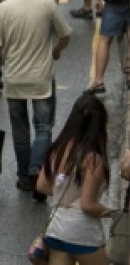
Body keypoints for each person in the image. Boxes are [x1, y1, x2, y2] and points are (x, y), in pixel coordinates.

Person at [0, 0, 71, 195]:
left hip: (13, 80)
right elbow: (65, 35)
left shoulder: (4, 8)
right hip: (42, 79)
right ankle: (36, 169)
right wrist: (55, 50)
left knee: (20, 130)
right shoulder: (48, 6)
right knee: (43, 128)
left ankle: (24, 176)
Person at [35, 93, 116, 265]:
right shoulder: (93, 159)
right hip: (81, 233)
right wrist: (113, 213)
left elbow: (42, 186)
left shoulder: (57, 149)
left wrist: (66, 192)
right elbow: (88, 205)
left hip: (56, 230)